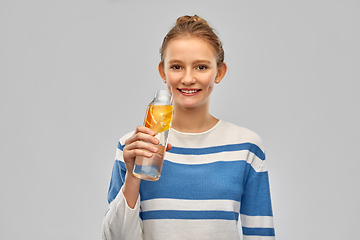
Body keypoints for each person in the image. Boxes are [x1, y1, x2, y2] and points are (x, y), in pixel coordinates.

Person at [102, 15, 275, 240]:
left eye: (201, 67)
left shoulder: (246, 147)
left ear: (219, 72)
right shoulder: (134, 147)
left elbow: (261, 235)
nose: (188, 78)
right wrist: (133, 177)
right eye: (176, 66)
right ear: (163, 72)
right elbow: (114, 238)